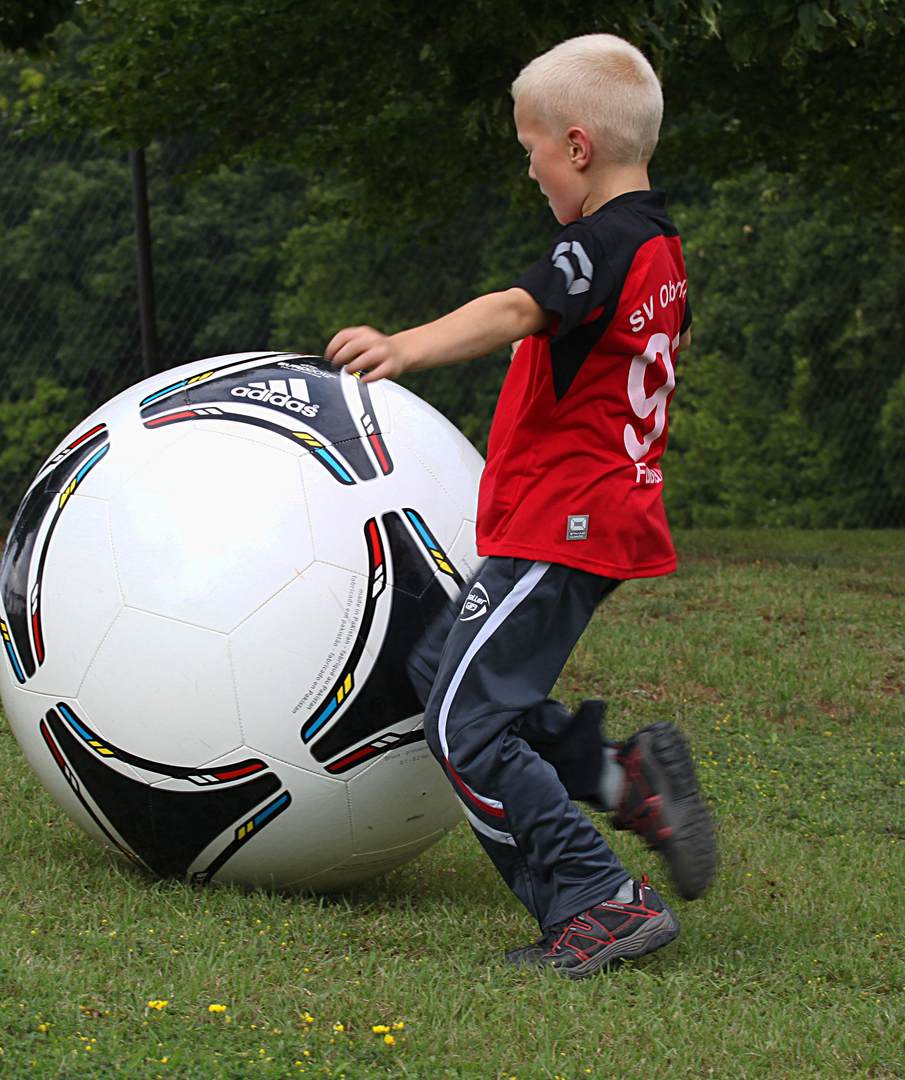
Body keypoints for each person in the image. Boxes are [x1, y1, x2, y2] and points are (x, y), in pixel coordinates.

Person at [325, 33, 716, 978]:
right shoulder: (657, 248)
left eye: (531, 145)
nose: (531, 164)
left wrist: (407, 346)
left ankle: (597, 902)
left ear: (577, 147)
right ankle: (626, 776)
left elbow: (514, 308)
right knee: (439, 670)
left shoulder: (600, 243)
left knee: (464, 722)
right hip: (584, 517)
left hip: (563, 524)